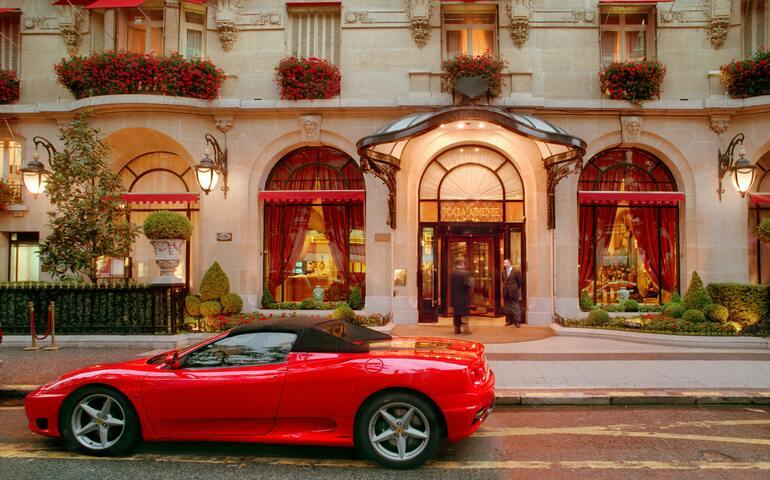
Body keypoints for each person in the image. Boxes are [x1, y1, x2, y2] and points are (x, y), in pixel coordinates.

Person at [450, 258, 472, 334]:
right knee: (465, 313)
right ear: (461, 263)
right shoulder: (465, 273)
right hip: (463, 297)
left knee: (456, 314)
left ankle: (457, 329)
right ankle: (466, 330)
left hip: (455, 297)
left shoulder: (452, 273)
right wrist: (471, 282)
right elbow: (467, 284)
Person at [502, 258, 523, 327]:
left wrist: (515, 288)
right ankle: (509, 321)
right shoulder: (503, 272)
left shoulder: (516, 271)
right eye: (504, 263)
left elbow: (520, 282)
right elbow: (504, 281)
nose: (504, 264)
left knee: (515, 307)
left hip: (513, 292)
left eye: (505, 263)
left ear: (510, 263)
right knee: (507, 308)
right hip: (506, 292)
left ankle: (517, 322)